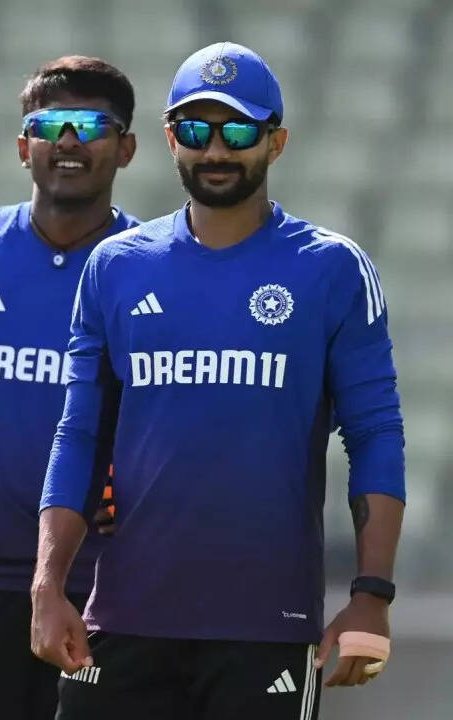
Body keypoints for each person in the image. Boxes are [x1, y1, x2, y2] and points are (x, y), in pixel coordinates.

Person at [31, 42, 404, 720]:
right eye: (197, 130)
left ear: (276, 141)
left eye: (238, 132)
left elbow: (375, 434)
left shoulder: (332, 268)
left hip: (265, 630)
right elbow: (80, 434)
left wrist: (372, 594)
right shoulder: (116, 266)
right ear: (170, 137)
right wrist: (48, 585)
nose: (215, 150)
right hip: (125, 620)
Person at [0, 56, 138, 720]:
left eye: (91, 125)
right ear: (23, 147)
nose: (69, 140)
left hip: (108, 591)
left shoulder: (153, 267)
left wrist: (146, 490)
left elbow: (209, 411)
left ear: (126, 148)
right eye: (50, 125)